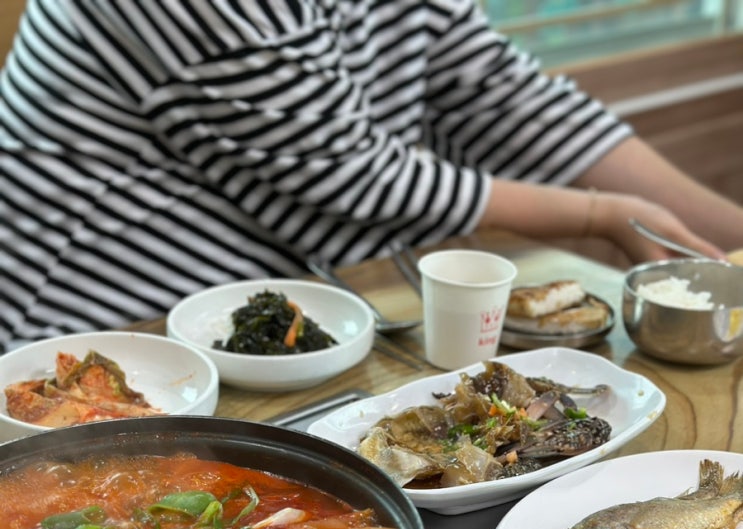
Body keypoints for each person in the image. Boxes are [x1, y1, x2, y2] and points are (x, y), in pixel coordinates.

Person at [1, 0, 741, 350]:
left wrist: (723, 236)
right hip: (98, 330)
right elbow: (348, 172)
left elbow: (502, 92)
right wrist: (599, 215)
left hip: (294, 321)